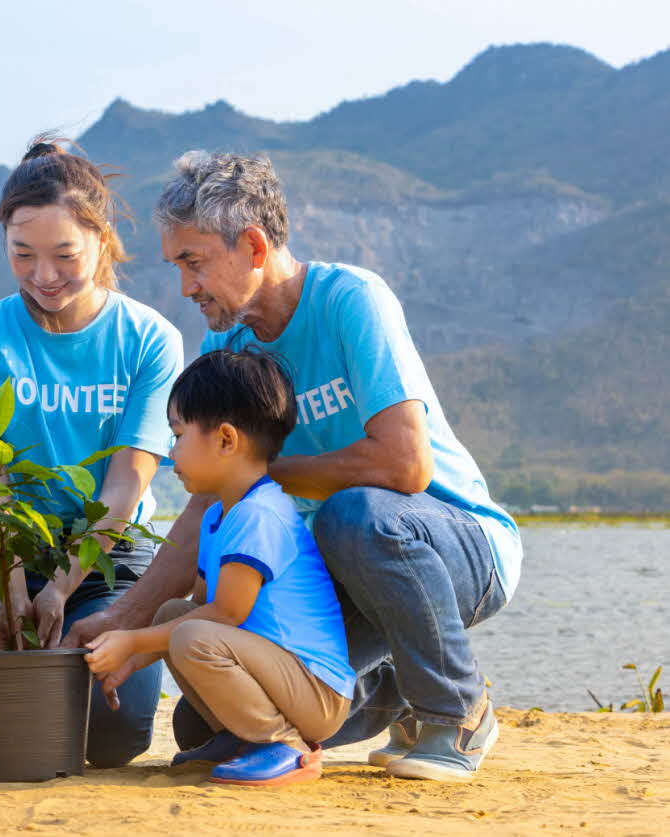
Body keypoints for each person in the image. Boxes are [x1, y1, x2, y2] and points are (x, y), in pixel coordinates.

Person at [65, 151, 522, 782]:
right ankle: (396, 690)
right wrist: (124, 620)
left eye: (194, 262)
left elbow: (405, 465)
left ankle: (456, 710)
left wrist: (260, 478)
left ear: (253, 246)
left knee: (353, 513)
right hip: (340, 570)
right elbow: (207, 501)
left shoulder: (351, 301)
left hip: (450, 547)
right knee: (207, 723)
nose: (186, 287)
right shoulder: (228, 343)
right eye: (178, 267)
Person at [0, 138, 184, 767]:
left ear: (102, 240)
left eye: (65, 255)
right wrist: (13, 580)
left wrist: (61, 587)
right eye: (23, 254)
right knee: (14, 721)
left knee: (113, 734)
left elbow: (125, 486)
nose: (44, 276)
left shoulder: (149, 339)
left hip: (108, 557)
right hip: (7, 547)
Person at [85, 349, 355, 786]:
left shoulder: (259, 514)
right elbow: (197, 609)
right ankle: (241, 737)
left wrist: (132, 639)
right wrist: (133, 659)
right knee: (175, 614)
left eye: (178, 435)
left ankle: (283, 744)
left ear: (226, 440)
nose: (171, 452)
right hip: (278, 677)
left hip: (315, 692)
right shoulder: (218, 517)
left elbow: (226, 614)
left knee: (191, 633)